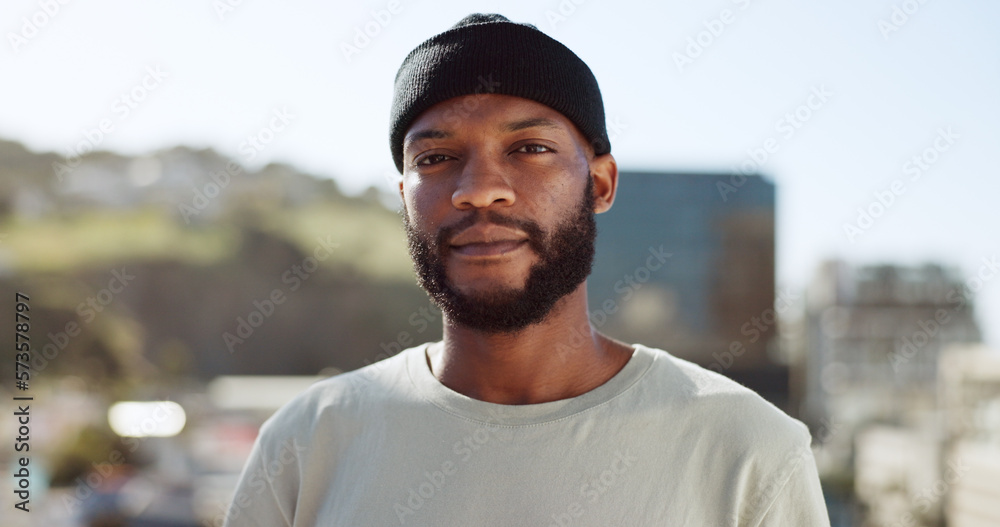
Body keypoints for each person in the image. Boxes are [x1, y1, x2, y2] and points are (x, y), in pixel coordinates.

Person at [224, 13, 831, 526]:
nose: (480, 190)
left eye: (529, 149)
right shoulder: (304, 446)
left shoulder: (748, 448)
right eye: (436, 157)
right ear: (401, 195)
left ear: (598, 182)